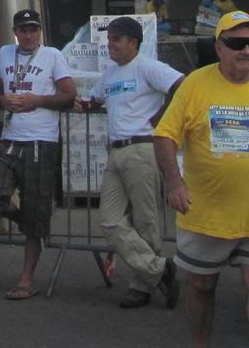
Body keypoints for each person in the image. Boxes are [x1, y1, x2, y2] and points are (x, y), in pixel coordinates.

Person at [154, 10, 249, 348]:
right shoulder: (195, 84)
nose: (246, 51)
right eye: (237, 43)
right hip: (206, 214)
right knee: (202, 286)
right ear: (219, 47)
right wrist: (174, 182)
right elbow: (164, 135)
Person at [77, 16, 183, 309]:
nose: (110, 44)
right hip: (116, 151)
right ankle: (158, 268)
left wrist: (161, 118)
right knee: (109, 219)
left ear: (133, 43)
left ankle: (141, 287)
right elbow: (95, 100)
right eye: (109, 38)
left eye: (116, 39)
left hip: (142, 148)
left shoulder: (147, 66)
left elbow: (182, 85)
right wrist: (84, 103)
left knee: (145, 220)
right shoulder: (111, 74)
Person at [0, 8, 76, 301]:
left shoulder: (52, 55)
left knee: (36, 207)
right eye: (23, 30)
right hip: (10, 136)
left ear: (40, 32)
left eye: (33, 29)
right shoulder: (5, 53)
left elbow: (69, 94)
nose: (28, 35)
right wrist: (2, 99)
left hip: (41, 140)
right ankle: (30, 221)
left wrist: (38, 100)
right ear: (15, 31)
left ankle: (26, 279)